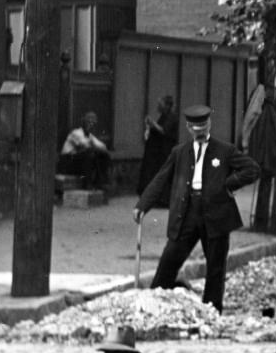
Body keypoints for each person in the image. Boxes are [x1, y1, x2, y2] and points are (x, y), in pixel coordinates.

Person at [133, 104, 260, 314]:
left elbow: (252, 169)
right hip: (186, 213)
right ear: (188, 128)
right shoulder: (179, 152)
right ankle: (153, 302)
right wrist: (142, 205)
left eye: (203, 128)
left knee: (216, 267)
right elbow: (161, 179)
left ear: (209, 124)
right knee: (170, 258)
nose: (199, 132)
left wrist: (229, 184)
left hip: (216, 214)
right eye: (195, 128)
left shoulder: (225, 150)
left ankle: (212, 310)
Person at [136, 95, 178, 206]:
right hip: (158, 152)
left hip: (164, 152)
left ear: (167, 106)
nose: (159, 107)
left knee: (163, 175)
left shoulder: (171, 117)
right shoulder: (164, 116)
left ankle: (163, 199)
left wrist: (152, 124)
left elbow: (164, 131)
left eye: (161, 104)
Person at [59, 111, 111, 190]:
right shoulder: (75, 133)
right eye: (89, 122)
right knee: (88, 154)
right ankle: (87, 184)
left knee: (104, 155)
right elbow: (84, 144)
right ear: (84, 123)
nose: (91, 125)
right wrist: (94, 145)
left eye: (93, 123)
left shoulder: (90, 136)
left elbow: (103, 147)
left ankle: (99, 183)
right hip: (68, 163)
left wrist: (96, 146)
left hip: (80, 162)